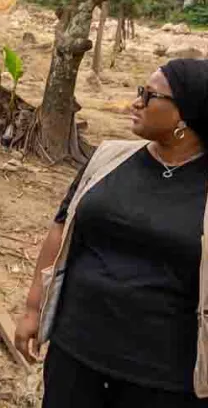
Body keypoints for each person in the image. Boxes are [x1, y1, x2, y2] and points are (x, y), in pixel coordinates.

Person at [15, 59, 208, 407]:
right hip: (75, 353)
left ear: (185, 115)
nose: (136, 103)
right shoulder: (109, 159)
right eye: (139, 92)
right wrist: (33, 308)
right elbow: (62, 226)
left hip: (163, 378)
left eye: (149, 96)